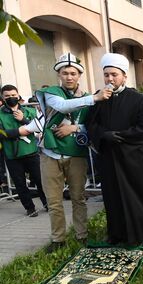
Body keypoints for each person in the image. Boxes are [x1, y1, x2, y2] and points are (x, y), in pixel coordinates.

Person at [19, 52, 112, 252]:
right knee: (54, 202)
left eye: (73, 73)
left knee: (78, 198)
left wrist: (75, 128)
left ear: (79, 75)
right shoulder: (53, 93)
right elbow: (61, 106)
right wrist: (94, 98)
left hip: (76, 155)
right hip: (50, 155)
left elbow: (92, 127)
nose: (69, 76)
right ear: (59, 75)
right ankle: (58, 240)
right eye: (65, 72)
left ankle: (82, 236)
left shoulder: (88, 98)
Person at [84, 53, 143, 246]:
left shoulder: (138, 99)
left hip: (133, 159)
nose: (110, 79)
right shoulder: (99, 98)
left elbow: (142, 129)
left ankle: (142, 233)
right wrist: (103, 134)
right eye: (106, 74)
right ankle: (116, 234)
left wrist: (120, 135)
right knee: (112, 196)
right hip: (108, 157)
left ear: (124, 76)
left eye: (114, 74)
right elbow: (90, 124)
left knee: (136, 194)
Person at [0, 84, 47, 216]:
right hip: (12, 155)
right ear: (3, 98)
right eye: (7, 96)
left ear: (18, 95)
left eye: (13, 95)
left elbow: (39, 127)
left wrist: (23, 120)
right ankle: (29, 208)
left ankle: (47, 204)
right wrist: (17, 132)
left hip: (31, 151)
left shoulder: (29, 111)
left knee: (40, 180)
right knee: (20, 184)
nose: (11, 98)